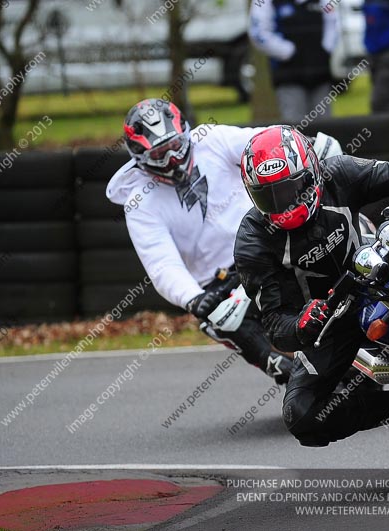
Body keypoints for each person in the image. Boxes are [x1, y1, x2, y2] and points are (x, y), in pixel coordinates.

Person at [234, 125, 389, 460]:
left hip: (382, 272)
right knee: (301, 415)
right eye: (270, 196)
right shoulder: (253, 238)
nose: (283, 204)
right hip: (331, 318)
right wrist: (301, 324)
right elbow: (273, 322)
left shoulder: (338, 174)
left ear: (312, 173)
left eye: (291, 190)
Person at [106, 98, 343, 384]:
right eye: (160, 154)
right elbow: (161, 263)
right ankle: (290, 374)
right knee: (221, 320)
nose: (172, 161)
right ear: (140, 157)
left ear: (186, 134)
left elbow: (260, 144)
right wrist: (193, 299)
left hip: (267, 244)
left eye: (175, 147)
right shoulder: (139, 202)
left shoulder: (212, 139)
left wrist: (302, 146)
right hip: (220, 284)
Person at [248, 0, 338, 123]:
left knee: (325, 126)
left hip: (320, 73)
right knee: (295, 128)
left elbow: (333, 23)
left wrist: (325, 50)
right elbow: (258, 32)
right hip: (288, 76)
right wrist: (287, 51)